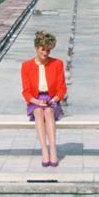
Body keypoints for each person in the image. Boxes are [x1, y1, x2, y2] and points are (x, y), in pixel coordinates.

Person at [21, 30, 66, 167]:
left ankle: (53, 149)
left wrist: (53, 100)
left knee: (48, 111)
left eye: (48, 50)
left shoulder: (57, 64)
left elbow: (62, 89)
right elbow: (26, 92)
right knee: (39, 112)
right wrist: (36, 102)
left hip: (52, 99)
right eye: (43, 49)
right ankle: (44, 150)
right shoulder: (26, 66)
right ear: (36, 48)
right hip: (35, 99)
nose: (45, 53)